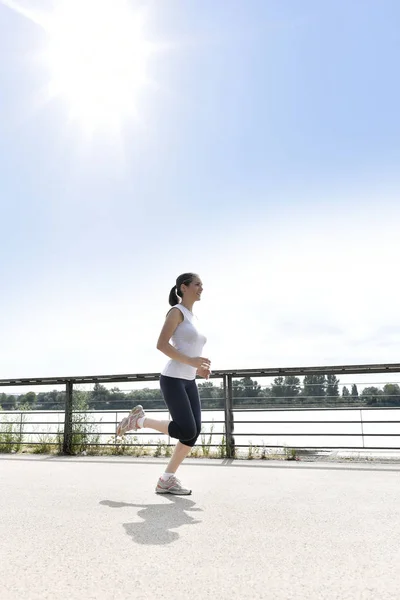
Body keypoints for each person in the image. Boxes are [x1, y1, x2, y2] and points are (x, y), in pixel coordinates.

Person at [116, 272, 211, 495]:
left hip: (188, 380)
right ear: (184, 287)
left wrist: (197, 367)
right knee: (186, 429)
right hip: (172, 380)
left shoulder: (192, 317)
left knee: (193, 432)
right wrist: (190, 361)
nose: (201, 288)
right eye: (197, 284)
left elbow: (188, 350)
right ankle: (139, 420)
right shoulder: (176, 312)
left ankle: (166, 479)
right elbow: (161, 345)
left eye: (202, 285)